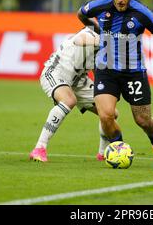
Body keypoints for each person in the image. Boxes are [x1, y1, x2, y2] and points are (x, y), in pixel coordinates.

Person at [78, 0, 153, 169]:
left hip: (134, 72)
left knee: (144, 121)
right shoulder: (99, 6)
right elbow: (81, 13)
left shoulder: (142, 12)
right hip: (105, 68)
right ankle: (120, 150)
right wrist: (95, 28)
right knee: (106, 115)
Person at [29, 27, 119, 162]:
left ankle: (102, 153)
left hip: (78, 80)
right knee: (69, 100)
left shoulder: (108, 45)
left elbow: (96, 69)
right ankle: (39, 148)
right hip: (56, 72)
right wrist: (103, 40)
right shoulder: (91, 32)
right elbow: (79, 39)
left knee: (110, 112)